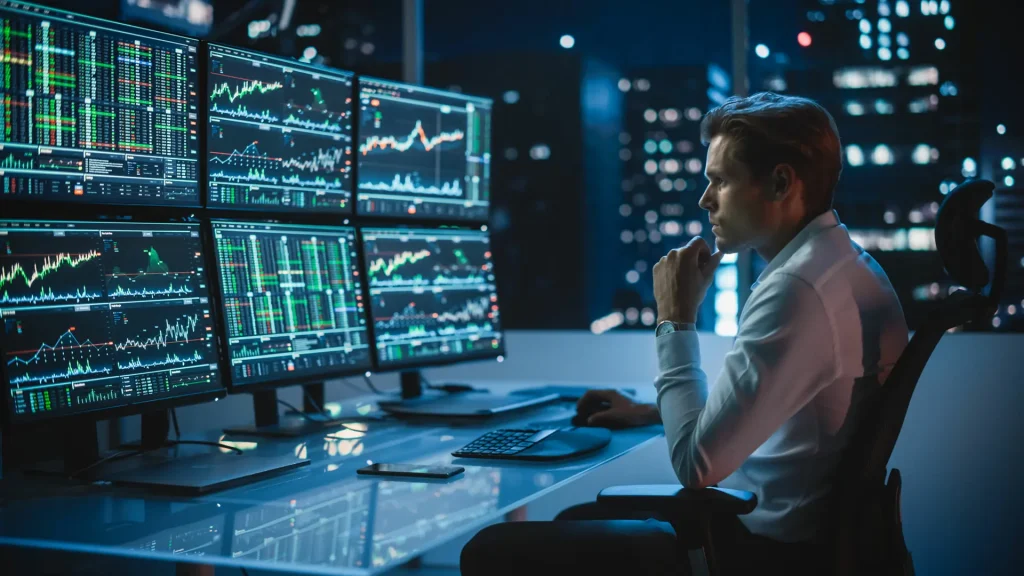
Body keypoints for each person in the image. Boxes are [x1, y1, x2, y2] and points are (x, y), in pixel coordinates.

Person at [461, 92, 909, 575]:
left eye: (720, 180)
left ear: (781, 183)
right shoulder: (847, 266)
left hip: (758, 548)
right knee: (576, 521)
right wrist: (652, 413)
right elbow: (775, 412)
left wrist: (675, 317)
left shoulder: (796, 289)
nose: (705, 199)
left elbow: (697, 467)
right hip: (801, 535)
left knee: (492, 550)